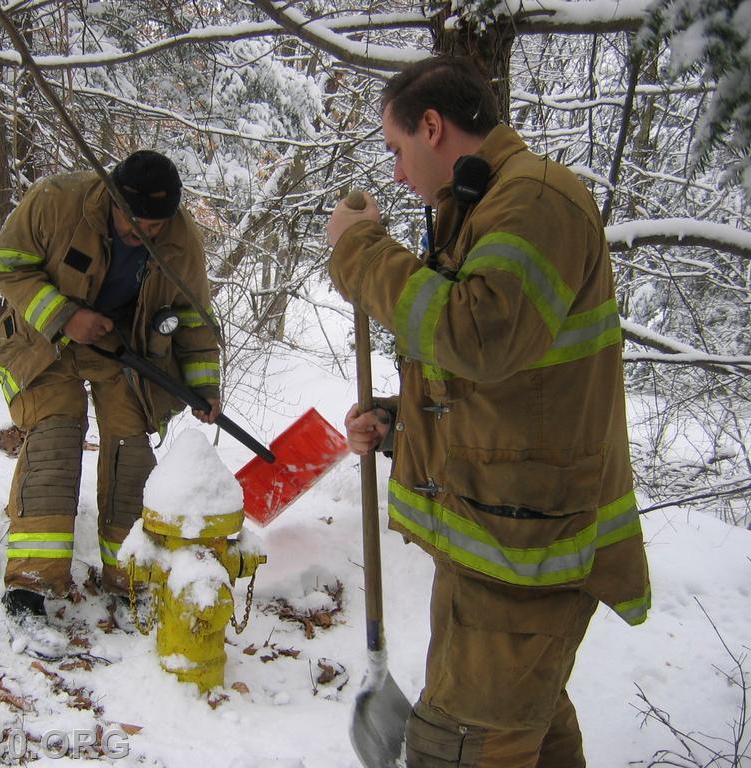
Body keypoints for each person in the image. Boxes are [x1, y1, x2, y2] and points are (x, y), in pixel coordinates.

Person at [327, 57, 650, 767]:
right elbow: (503, 382)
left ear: (432, 127)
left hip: (527, 555)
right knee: (527, 733)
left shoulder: (535, 200)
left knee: (460, 744)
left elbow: (479, 336)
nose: (397, 174)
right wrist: (397, 422)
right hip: (502, 542)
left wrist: (357, 249)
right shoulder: (487, 206)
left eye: (396, 148)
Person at [0, 150, 221, 654]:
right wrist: (66, 315)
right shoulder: (56, 202)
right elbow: (4, 265)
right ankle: (27, 590)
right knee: (55, 433)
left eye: (157, 225)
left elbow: (194, 316)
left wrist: (205, 387)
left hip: (122, 351)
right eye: (136, 224)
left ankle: (128, 577)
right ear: (112, 201)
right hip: (40, 341)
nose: (147, 235)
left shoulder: (181, 240)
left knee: (130, 446)